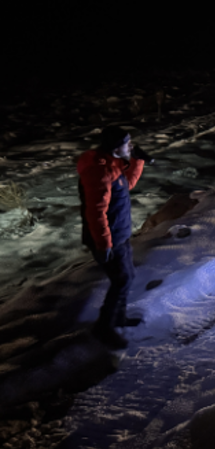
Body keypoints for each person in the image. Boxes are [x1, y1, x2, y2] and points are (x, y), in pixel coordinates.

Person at [77, 126, 148, 348]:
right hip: (110, 237)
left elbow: (126, 185)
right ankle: (103, 328)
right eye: (128, 143)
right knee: (122, 279)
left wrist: (137, 161)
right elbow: (96, 211)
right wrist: (103, 243)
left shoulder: (113, 165)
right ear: (116, 148)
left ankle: (118, 317)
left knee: (127, 276)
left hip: (120, 233)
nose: (131, 146)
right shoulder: (99, 172)